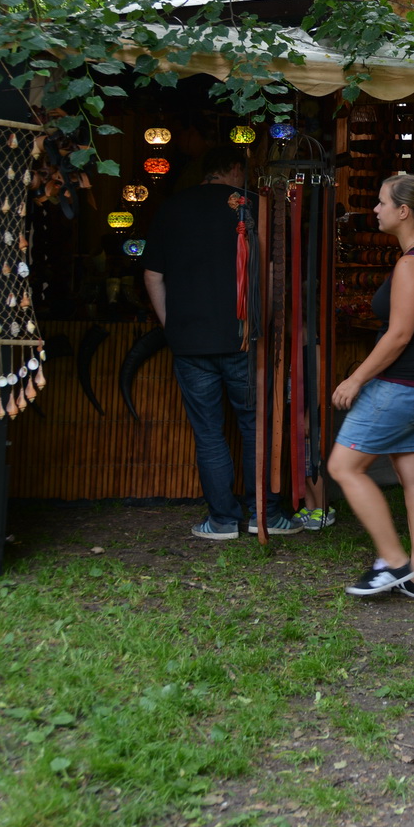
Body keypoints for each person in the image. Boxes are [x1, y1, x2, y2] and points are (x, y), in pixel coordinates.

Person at [144, 146, 303, 540]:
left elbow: (152, 276)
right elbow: (273, 273)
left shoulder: (171, 207)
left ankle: (222, 521)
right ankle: (265, 515)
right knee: (255, 428)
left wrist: (172, 326)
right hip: (244, 339)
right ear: (234, 168)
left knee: (209, 433)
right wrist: (261, 323)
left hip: (190, 342)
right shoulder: (254, 207)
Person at [329, 174, 414, 598]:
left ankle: (393, 561)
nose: (376, 210)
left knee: (344, 467)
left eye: (382, 203)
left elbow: (399, 335)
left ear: (404, 211)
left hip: (405, 385)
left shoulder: (411, 264)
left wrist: (356, 378)